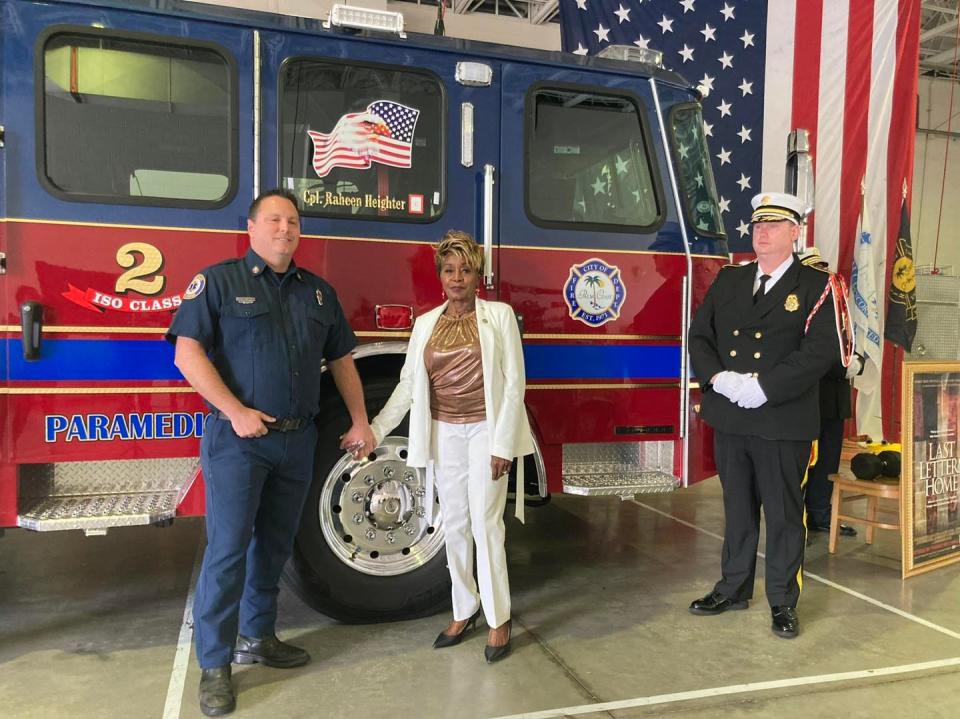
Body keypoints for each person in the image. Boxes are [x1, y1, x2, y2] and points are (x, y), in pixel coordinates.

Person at [167, 188, 375, 716]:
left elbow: (344, 360)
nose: (285, 229)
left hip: (298, 440)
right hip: (239, 442)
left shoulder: (319, 294)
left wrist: (359, 420)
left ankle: (257, 636)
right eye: (275, 220)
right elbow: (187, 353)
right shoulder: (217, 282)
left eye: (293, 222)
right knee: (228, 552)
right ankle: (215, 666)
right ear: (252, 227)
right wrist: (235, 411)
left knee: (274, 548)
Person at [364, 230, 533, 663]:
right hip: (443, 432)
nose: (457, 277)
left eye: (466, 269)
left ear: (479, 275)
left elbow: (515, 384)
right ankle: (465, 608)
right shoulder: (425, 324)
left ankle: (499, 617)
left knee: (486, 524)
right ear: (440, 276)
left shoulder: (499, 316)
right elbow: (407, 386)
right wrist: (376, 431)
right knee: (453, 523)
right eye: (449, 270)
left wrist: (502, 445)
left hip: (485, 431)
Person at [687, 192, 841, 639]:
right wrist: (720, 379)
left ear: (796, 232)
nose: (762, 233)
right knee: (737, 511)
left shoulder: (816, 286)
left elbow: (819, 354)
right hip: (732, 415)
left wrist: (762, 387)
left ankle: (782, 600)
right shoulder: (730, 280)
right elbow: (700, 336)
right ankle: (733, 588)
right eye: (757, 226)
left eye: (774, 226)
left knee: (784, 515)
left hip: (781, 419)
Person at [796, 248, 863, 537]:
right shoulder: (800, 306)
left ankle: (821, 515)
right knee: (802, 463)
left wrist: (854, 359)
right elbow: (813, 355)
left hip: (833, 401)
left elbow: (842, 342)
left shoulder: (836, 309)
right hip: (808, 399)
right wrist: (846, 366)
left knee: (828, 462)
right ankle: (796, 518)